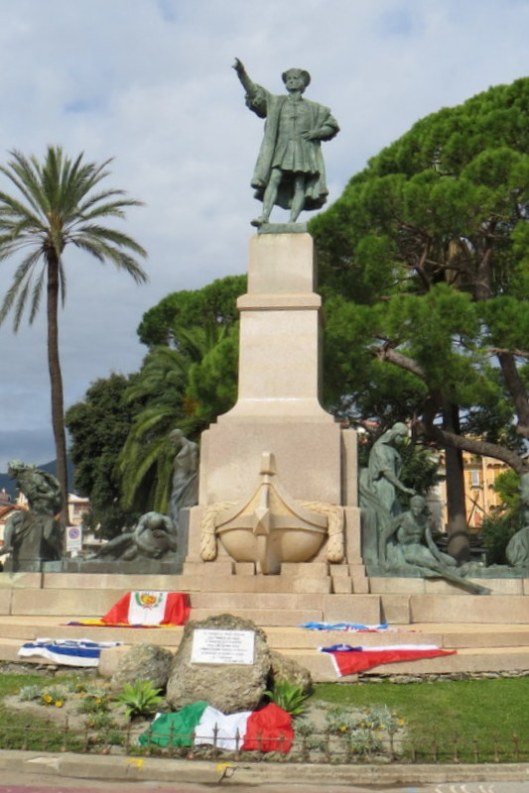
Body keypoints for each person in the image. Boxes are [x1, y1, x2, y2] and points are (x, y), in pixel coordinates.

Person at [233, 58, 339, 226]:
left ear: (303, 83)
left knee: (299, 185)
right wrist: (241, 73)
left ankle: (292, 222)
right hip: (282, 148)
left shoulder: (316, 108)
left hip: (304, 149)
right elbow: (255, 92)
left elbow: (332, 126)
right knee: (274, 178)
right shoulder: (276, 102)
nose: (291, 81)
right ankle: (264, 217)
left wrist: (316, 132)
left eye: (295, 78)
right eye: (288, 79)